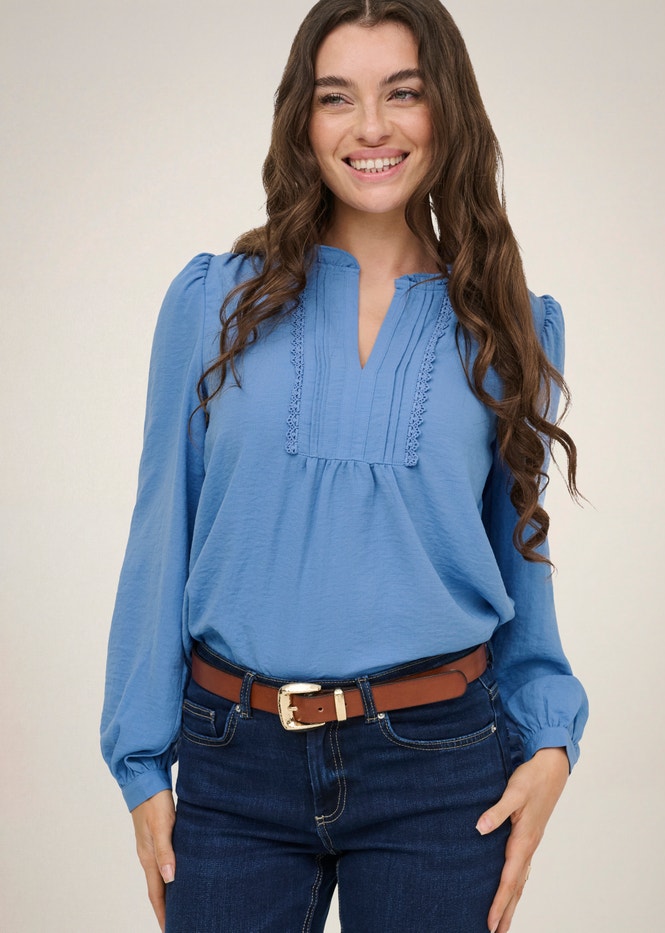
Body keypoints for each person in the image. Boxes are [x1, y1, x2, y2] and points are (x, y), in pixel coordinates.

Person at [100, 1, 588, 930]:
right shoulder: (212, 304)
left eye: (402, 93)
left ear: (447, 109)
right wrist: (140, 761)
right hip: (233, 760)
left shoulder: (510, 327)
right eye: (337, 97)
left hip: (440, 766)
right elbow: (160, 535)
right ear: (302, 119)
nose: (371, 127)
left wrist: (552, 741)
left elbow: (518, 565)